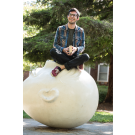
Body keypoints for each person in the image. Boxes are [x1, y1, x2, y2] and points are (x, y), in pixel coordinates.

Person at [50, 8, 90, 77]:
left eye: (74, 15)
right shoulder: (60, 29)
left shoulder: (81, 30)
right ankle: (75, 64)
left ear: (77, 18)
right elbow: (55, 44)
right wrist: (63, 49)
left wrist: (76, 49)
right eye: (70, 15)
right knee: (52, 51)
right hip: (62, 55)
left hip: (74, 56)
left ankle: (61, 67)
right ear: (67, 16)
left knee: (86, 56)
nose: (72, 17)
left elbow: (82, 46)